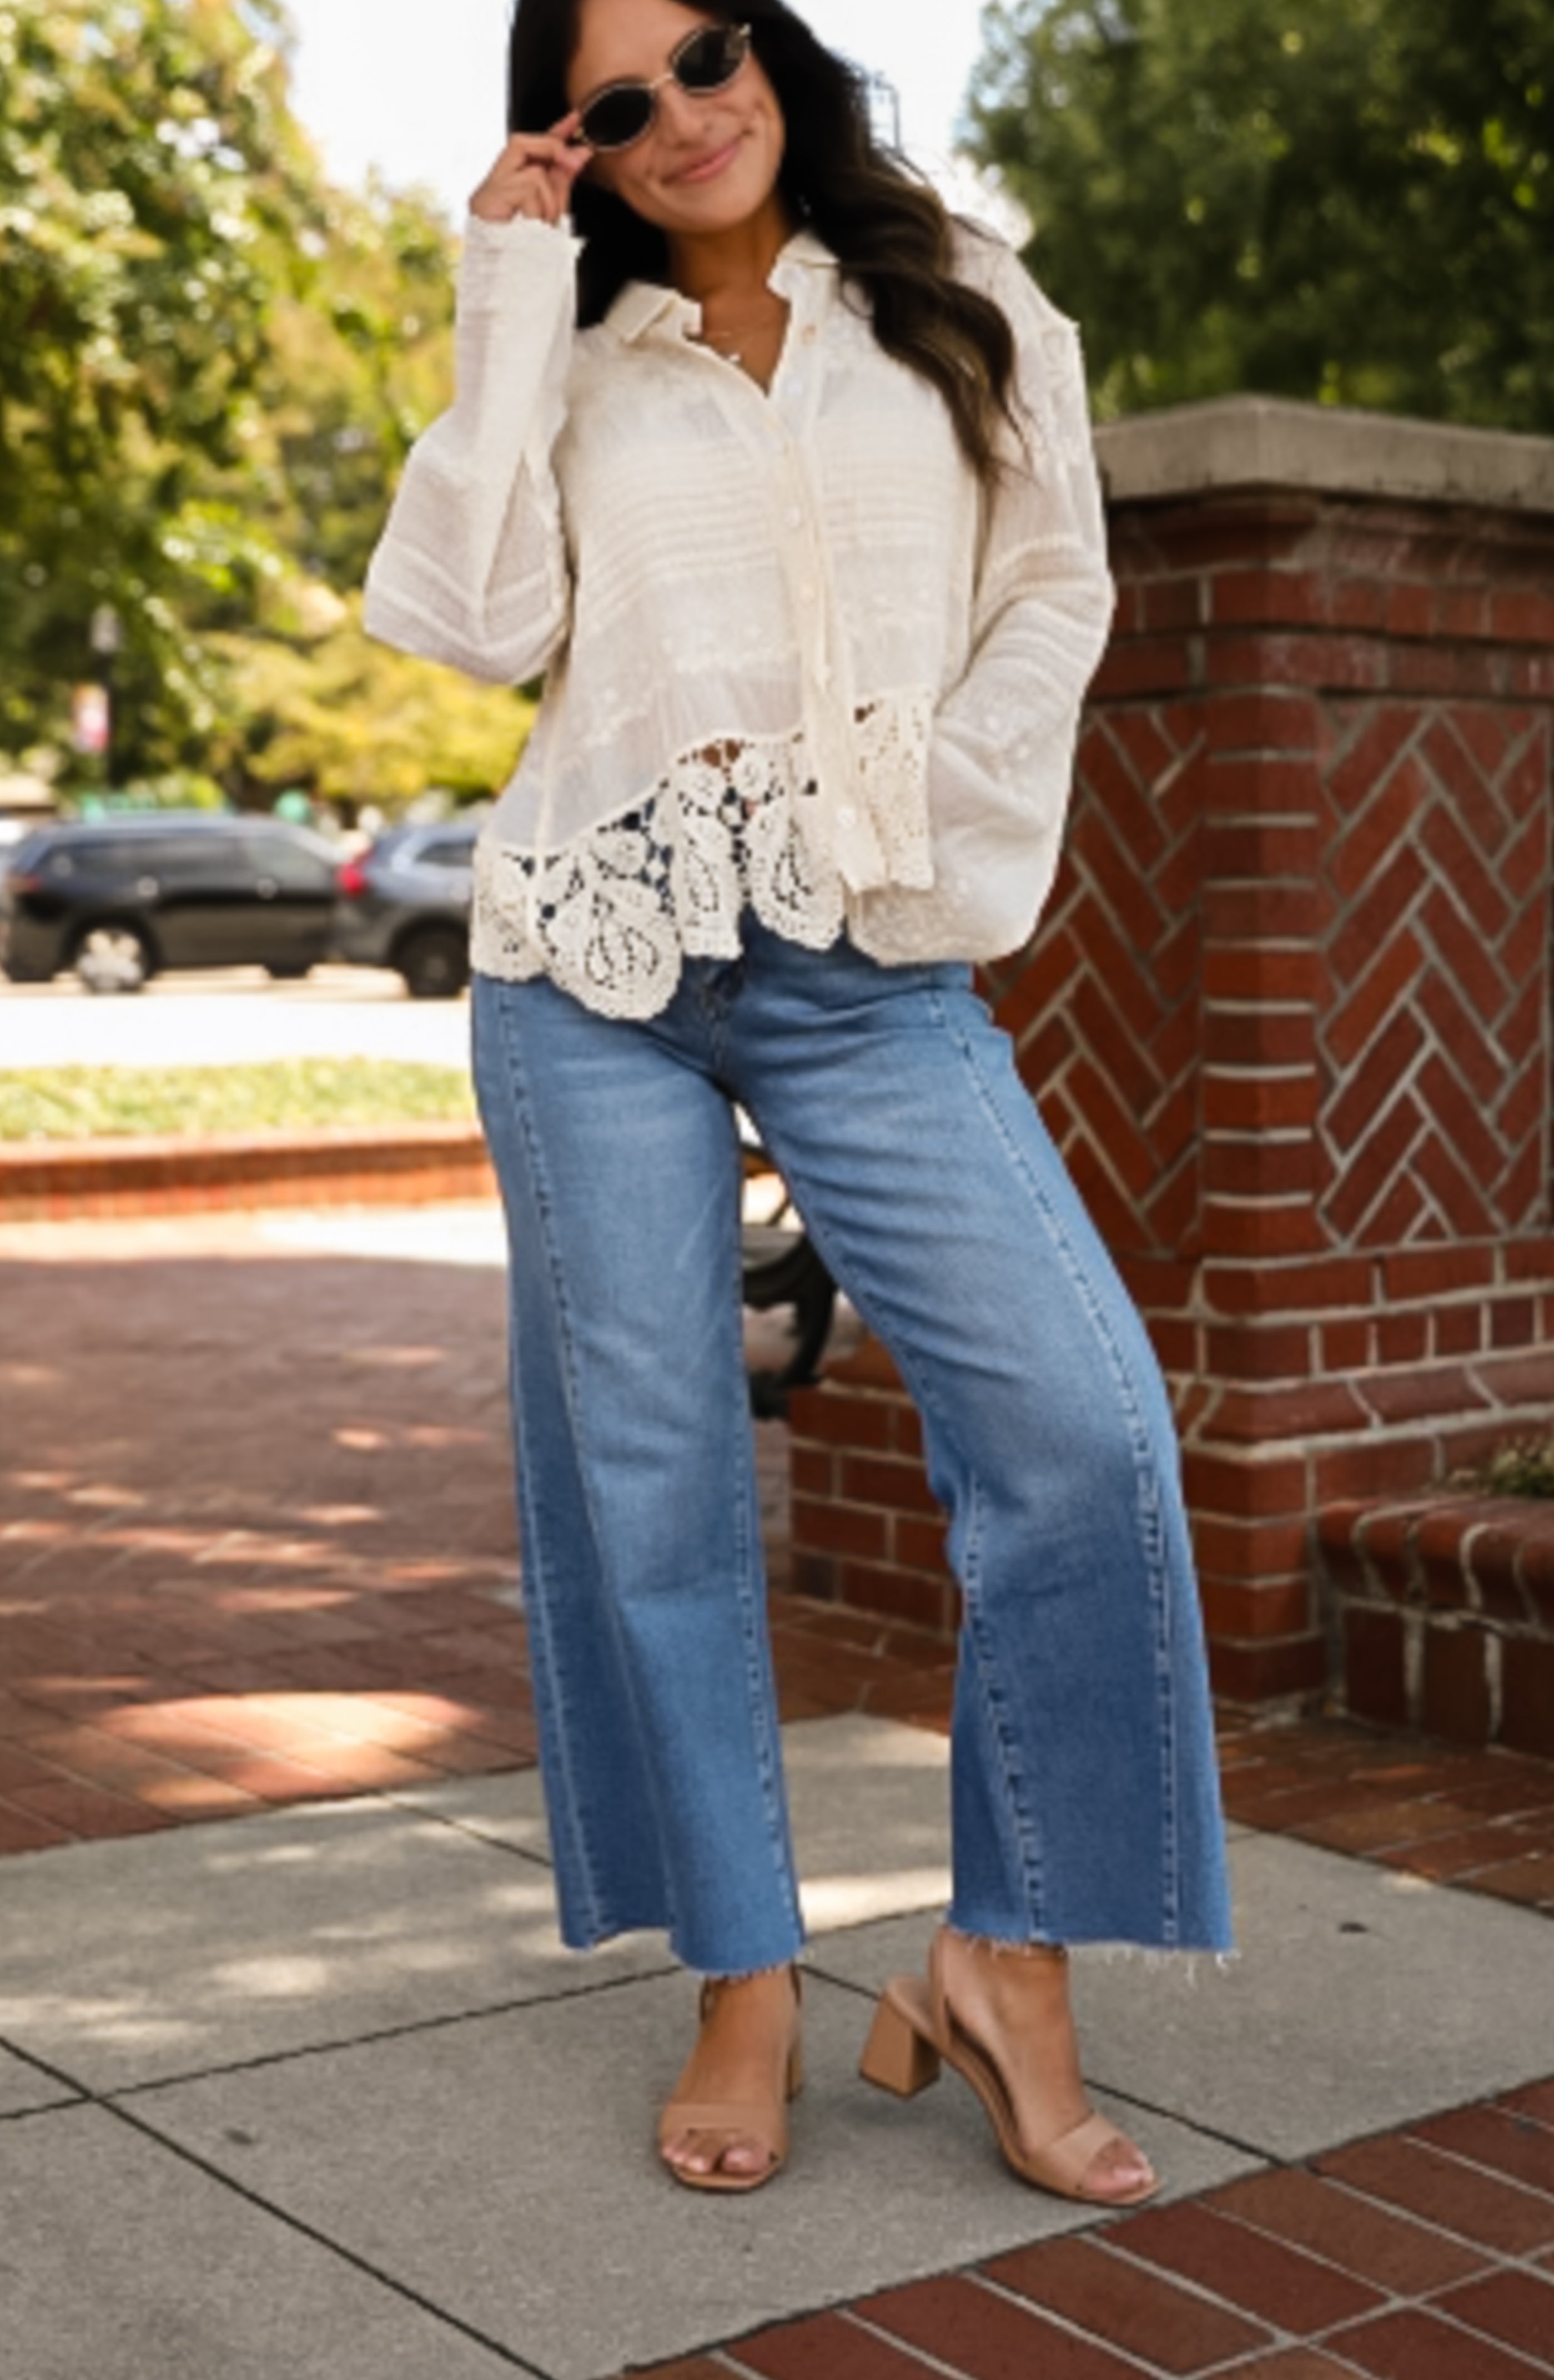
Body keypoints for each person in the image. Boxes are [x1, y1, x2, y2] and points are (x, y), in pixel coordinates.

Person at [365, 0, 1233, 2202]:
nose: (684, 113)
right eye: (619, 99)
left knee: (1083, 1431)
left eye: (709, 52)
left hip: (870, 971)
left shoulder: (958, 292)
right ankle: (739, 1976)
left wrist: (926, 819)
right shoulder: (573, 359)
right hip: (591, 966)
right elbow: (465, 621)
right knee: (646, 1488)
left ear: (775, 51)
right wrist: (501, 294)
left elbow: (1054, 586)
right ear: (573, 137)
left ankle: (1004, 1957)